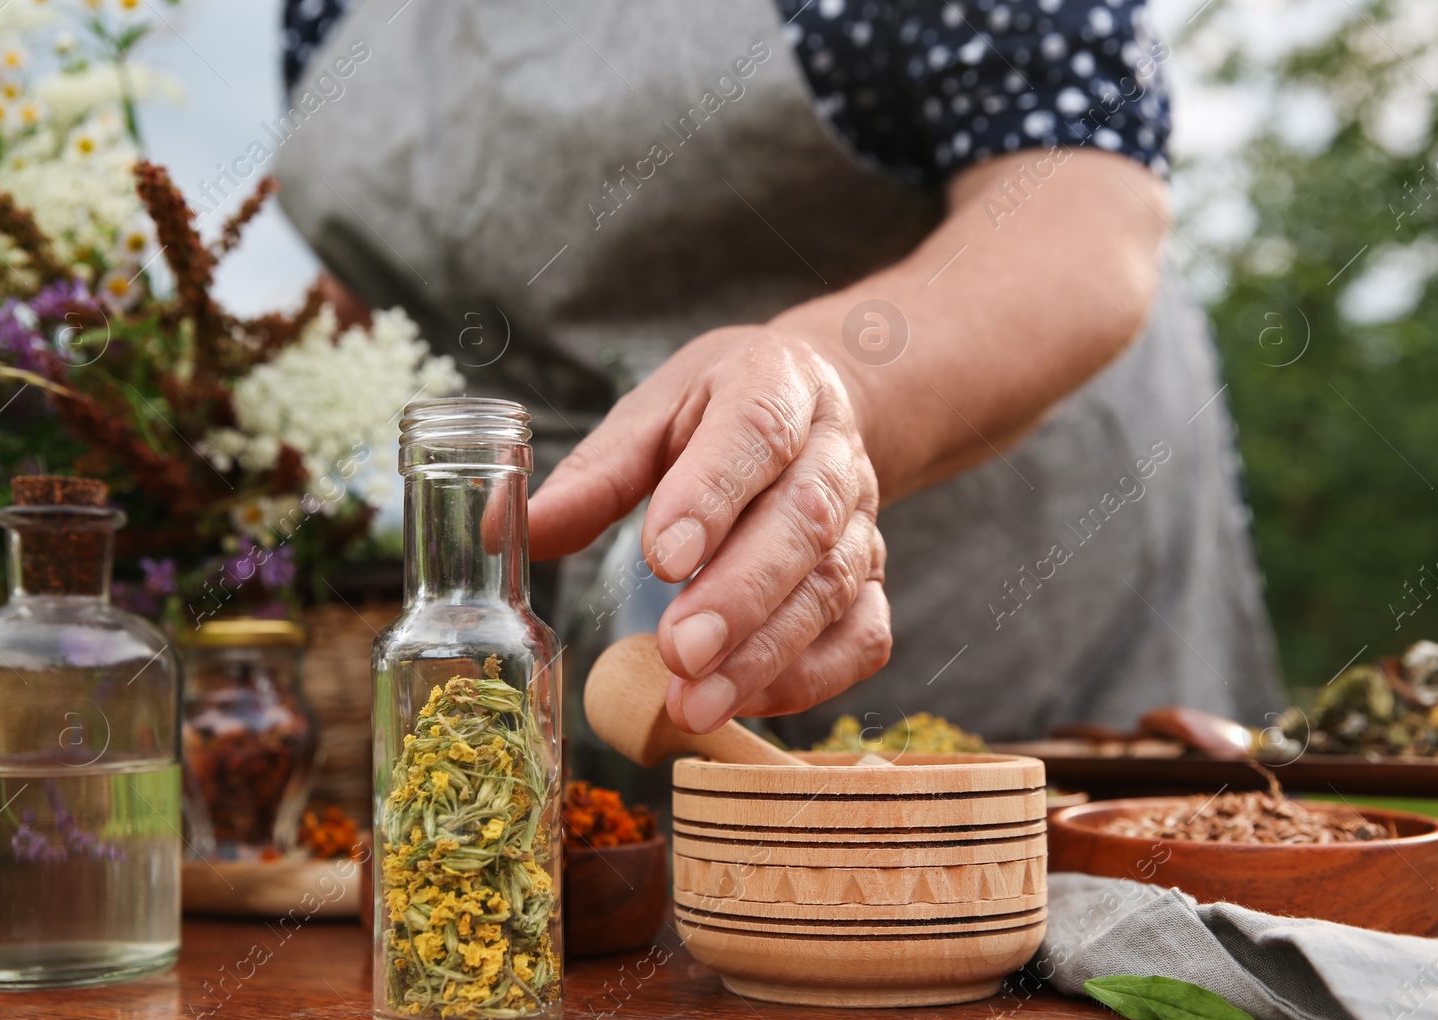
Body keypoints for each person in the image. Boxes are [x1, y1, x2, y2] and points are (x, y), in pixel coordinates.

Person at [274, 0, 1283, 745]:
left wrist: (827, 386)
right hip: (578, 629)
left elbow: (1078, 214)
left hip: (996, 583)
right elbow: (386, 273)